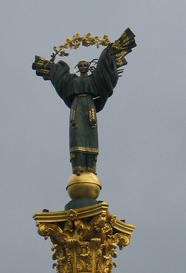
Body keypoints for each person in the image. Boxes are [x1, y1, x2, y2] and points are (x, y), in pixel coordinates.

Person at [32, 28, 135, 175]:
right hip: (77, 107)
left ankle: (91, 166)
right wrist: (52, 67)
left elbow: (104, 71)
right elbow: (60, 77)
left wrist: (108, 54)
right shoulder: (71, 80)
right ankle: (78, 166)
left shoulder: (94, 80)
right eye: (80, 66)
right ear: (78, 68)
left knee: (90, 133)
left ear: (88, 67)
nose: (83, 67)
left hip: (89, 106)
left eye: (85, 65)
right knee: (76, 133)